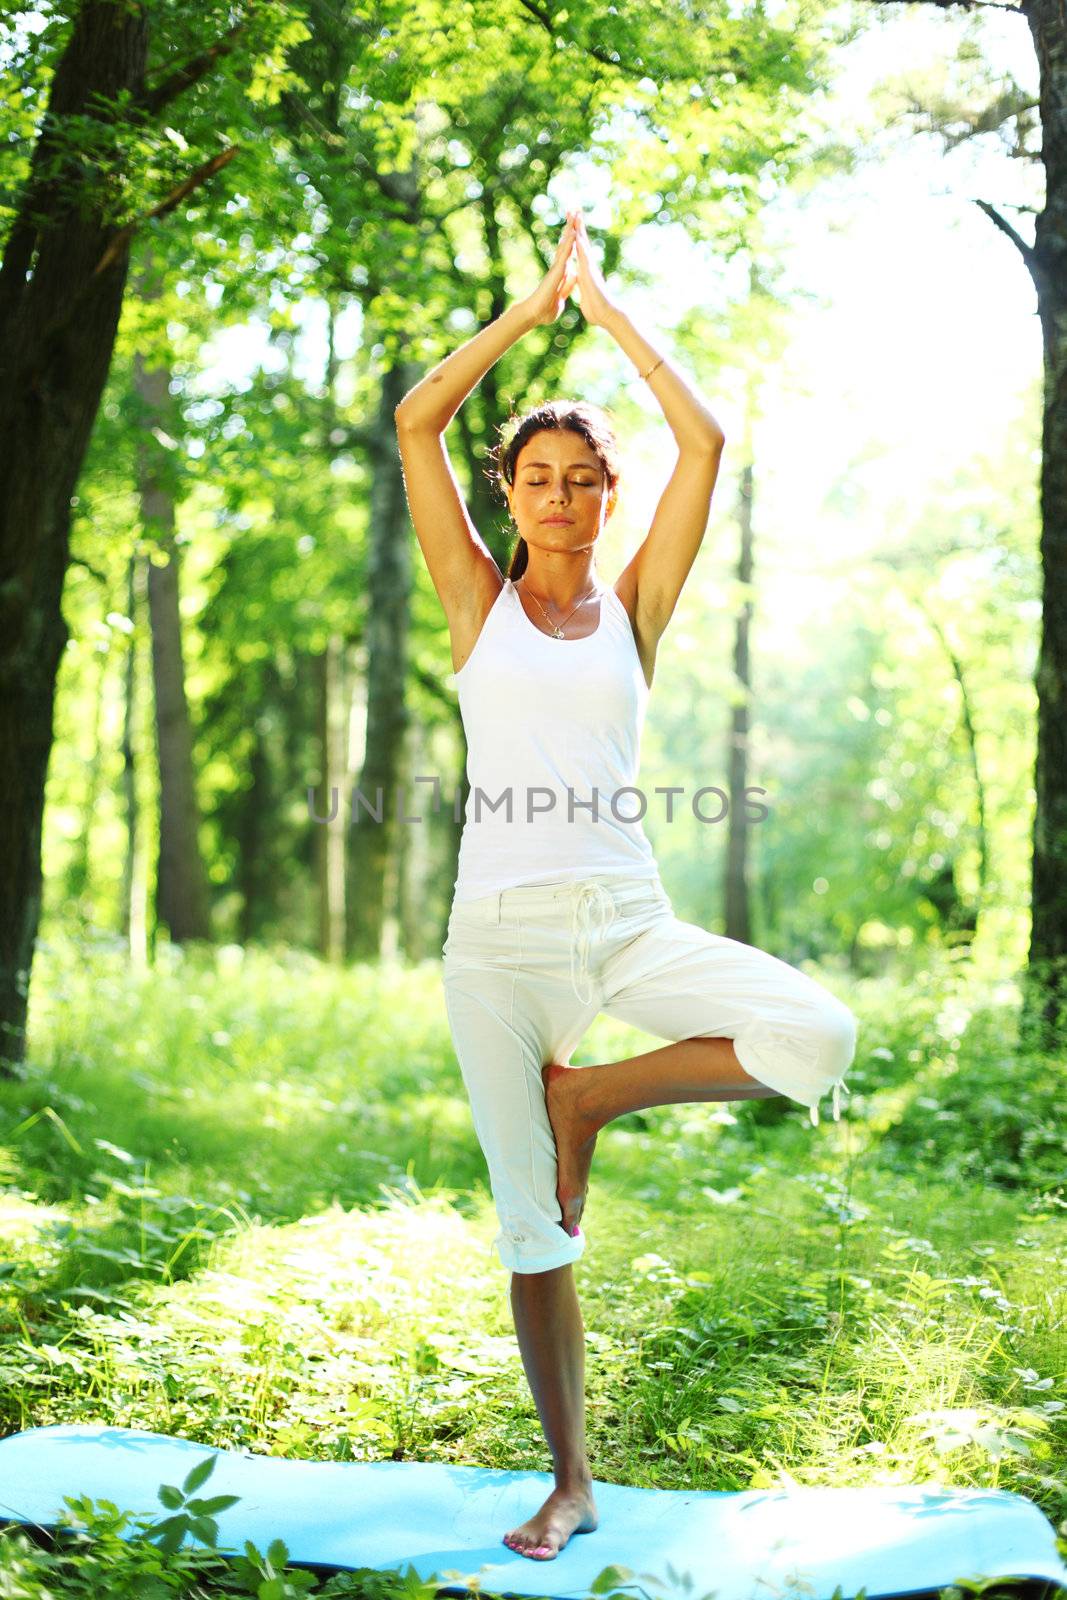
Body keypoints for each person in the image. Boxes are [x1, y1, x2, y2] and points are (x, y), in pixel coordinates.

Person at [394, 208, 858, 1562]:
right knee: (532, 1227)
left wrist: (606, 317)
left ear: (605, 496)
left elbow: (706, 441)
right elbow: (419, 422)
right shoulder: (473, 601)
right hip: (496, 947)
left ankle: (589, 1096)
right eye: (535, 474)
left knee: (816, 1037)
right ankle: (571, 1480)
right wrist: (525, 313)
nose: (558, 493)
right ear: (510, 495)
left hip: (626, 924)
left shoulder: (637, 606)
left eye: (581, 476)